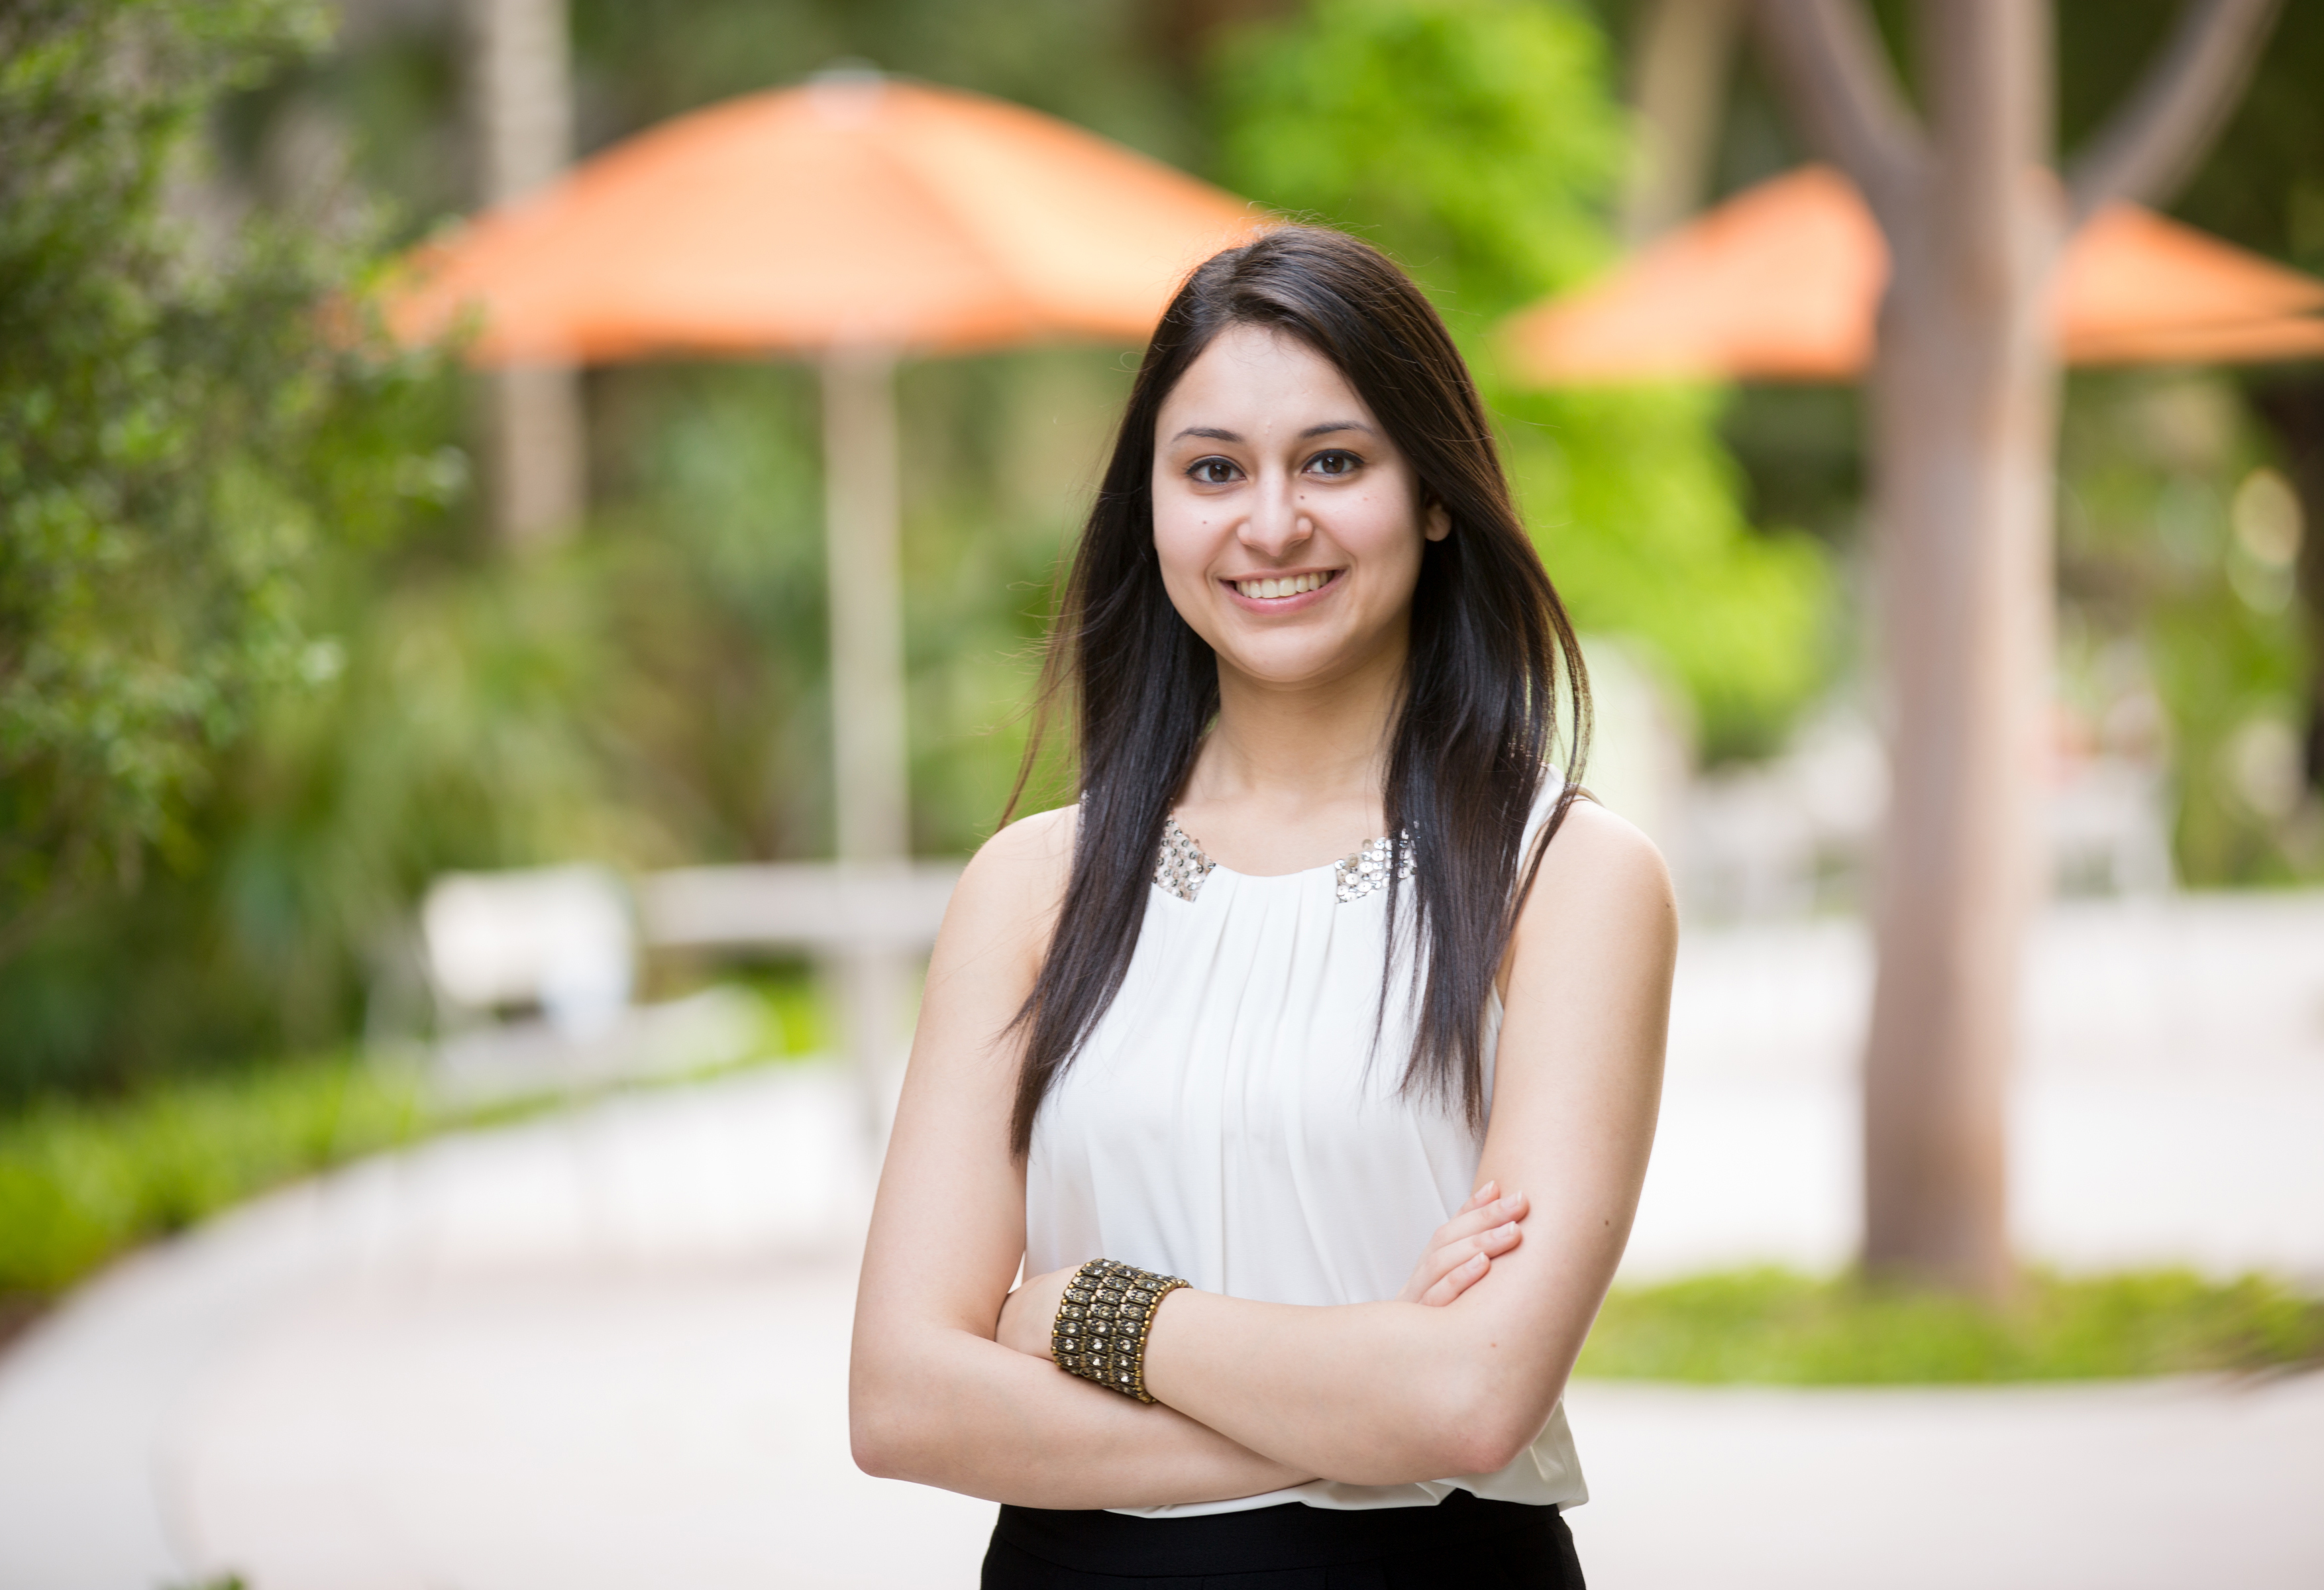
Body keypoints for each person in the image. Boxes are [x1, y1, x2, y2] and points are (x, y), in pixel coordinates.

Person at [849, 225, 1675, 1588]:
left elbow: (1471, 1401)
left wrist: (1093, 1312)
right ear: (1152, 510)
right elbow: (899, 1401)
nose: (1271, 521)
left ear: (1432, 493)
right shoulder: (1028, 892)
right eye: (1213, 469)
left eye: (1333, 461)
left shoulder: (1567, 880)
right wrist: (1362, 1403)